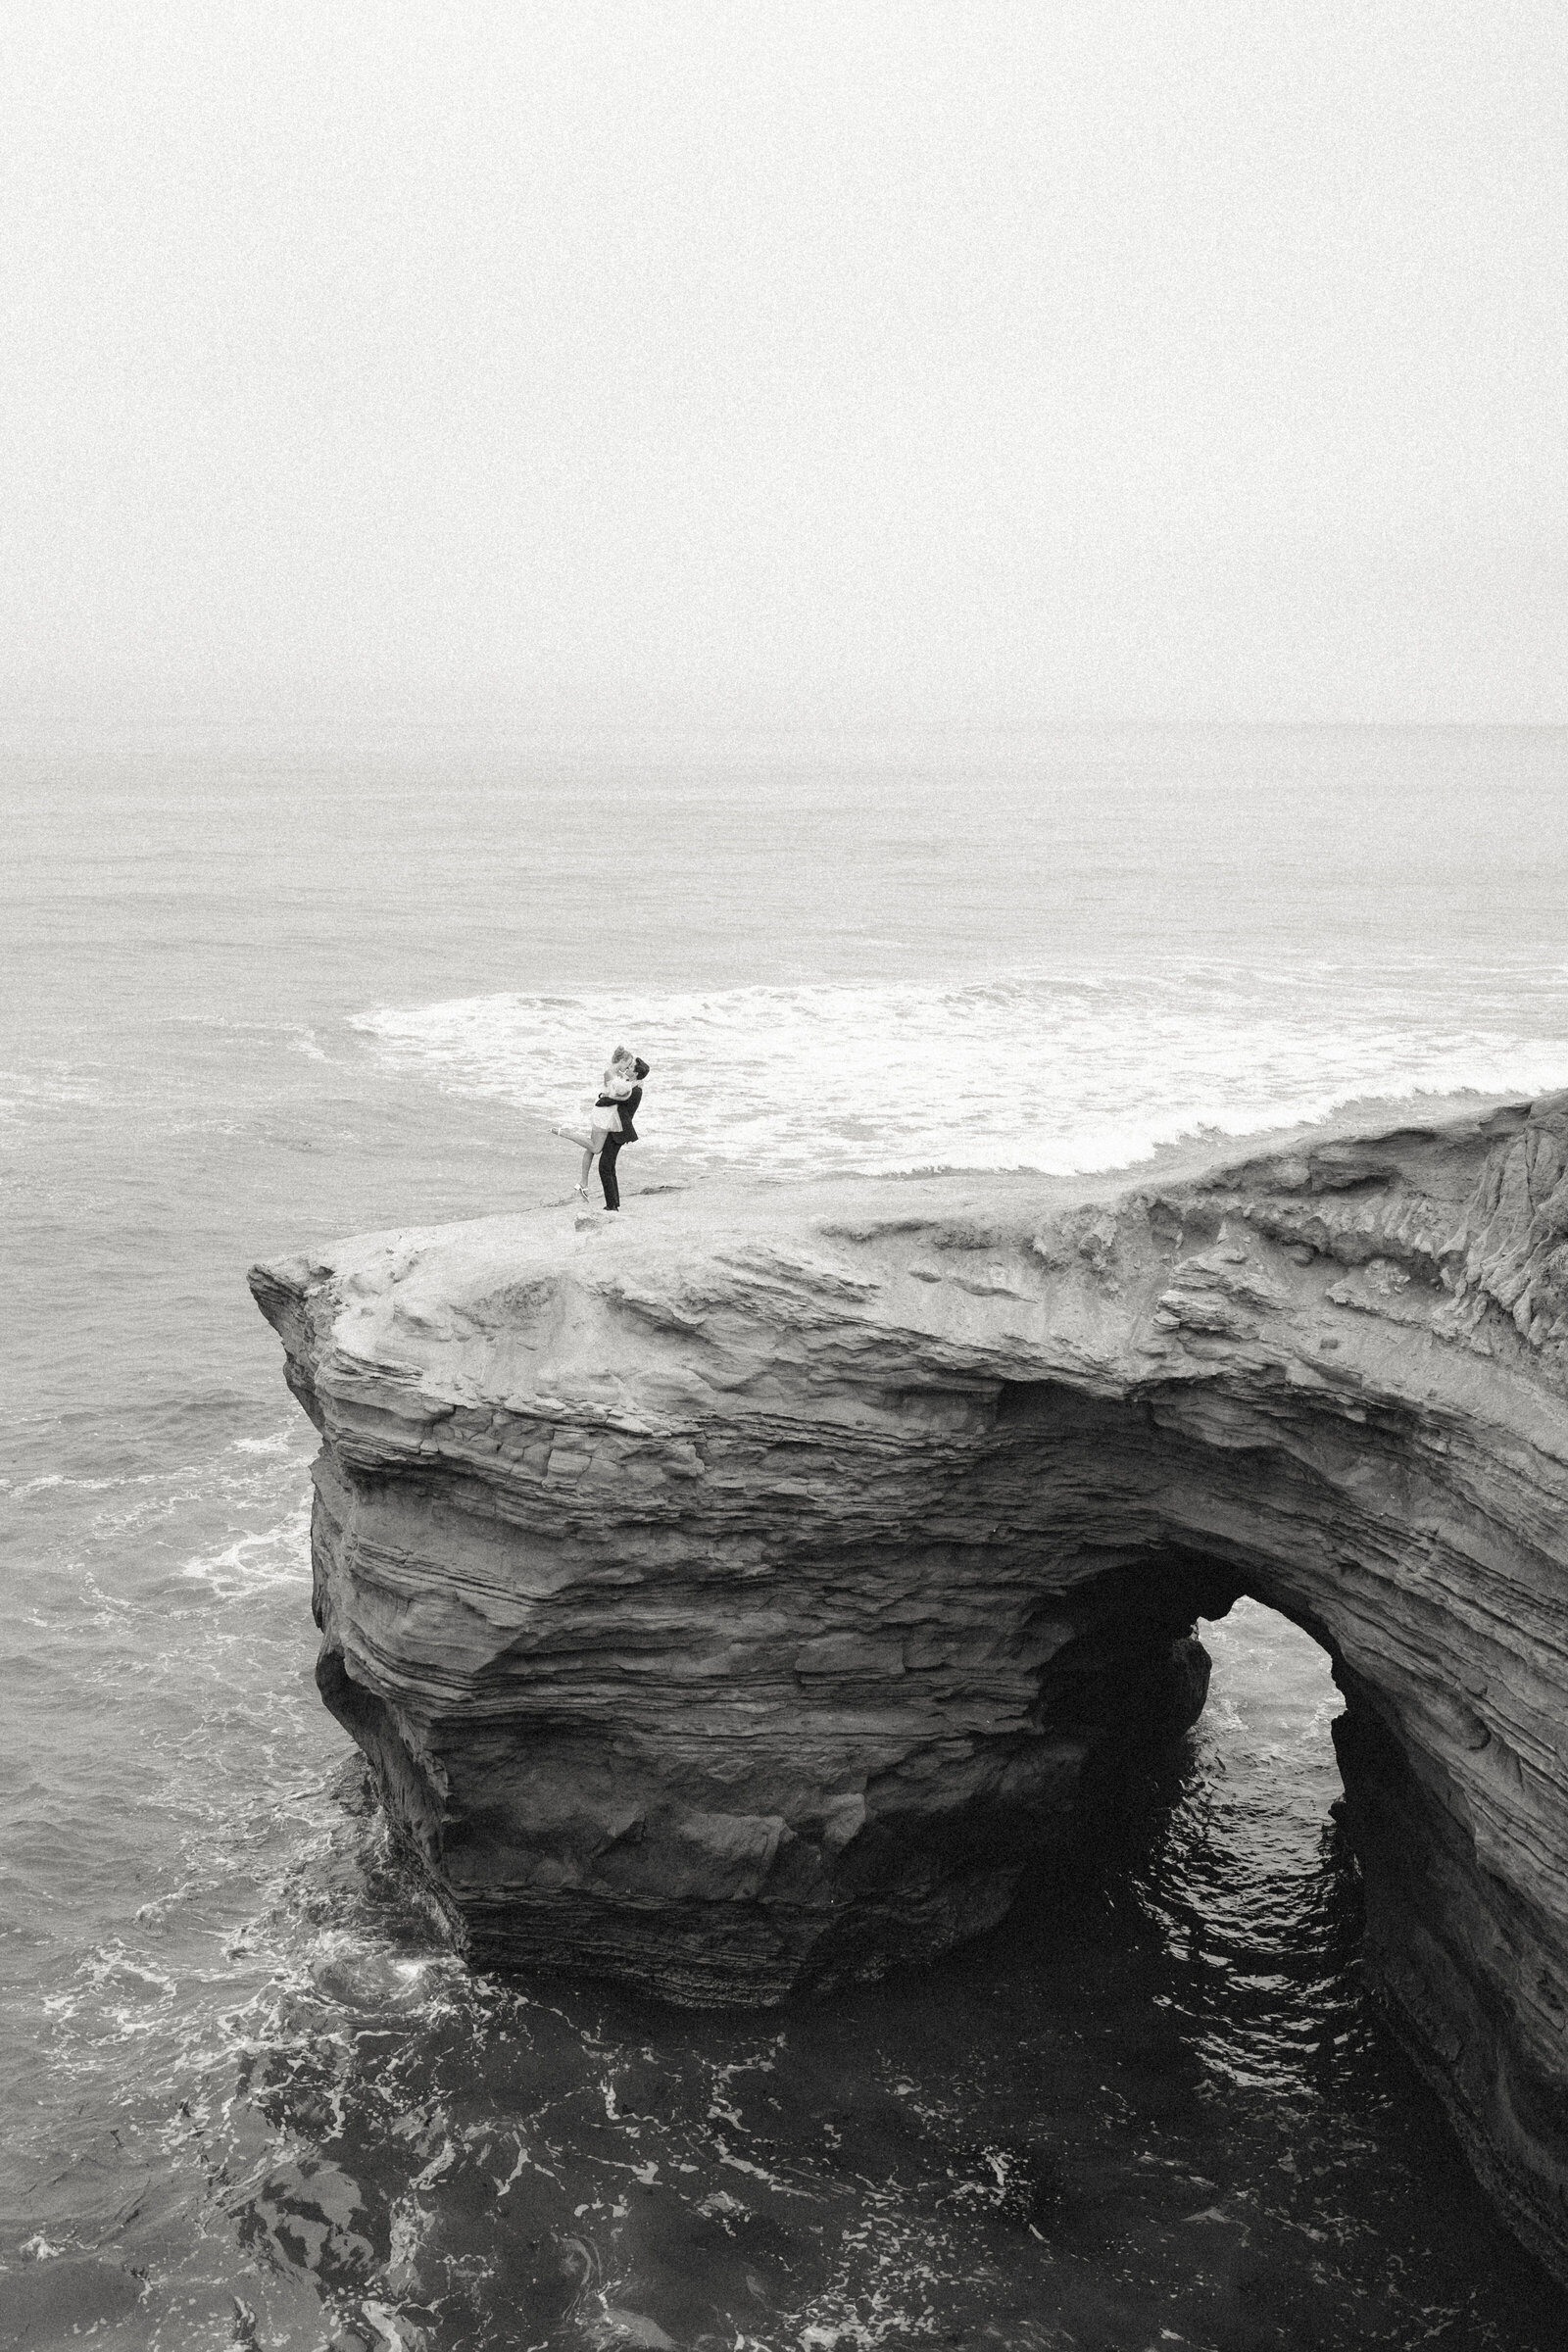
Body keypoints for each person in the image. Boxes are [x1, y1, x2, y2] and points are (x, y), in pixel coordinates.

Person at [553, 1049, 636, 1200]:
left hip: (606, 1113)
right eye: (628, 1064)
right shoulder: (609, 1073)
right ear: (622, 1061)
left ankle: (583, 1184)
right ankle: (566, 1133)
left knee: (590, 1148)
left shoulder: (617, 1074)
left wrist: (629, 1082)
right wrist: (628, 1090)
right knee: (596, 1148)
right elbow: (616, 1095)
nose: (628, 1068)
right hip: (604, 1114)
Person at [596, 1056, 648, 1211]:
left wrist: (600, 1100)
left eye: (631, 1068)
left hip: (619, 1130)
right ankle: (614, 1203)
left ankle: (612, 1206)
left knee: (604, 1167)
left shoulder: (634, 1090)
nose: (628, 1069)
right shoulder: (633, 1086)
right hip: (618, 1129)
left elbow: (613, 1101)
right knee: (609, 1166)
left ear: (636, 1074)